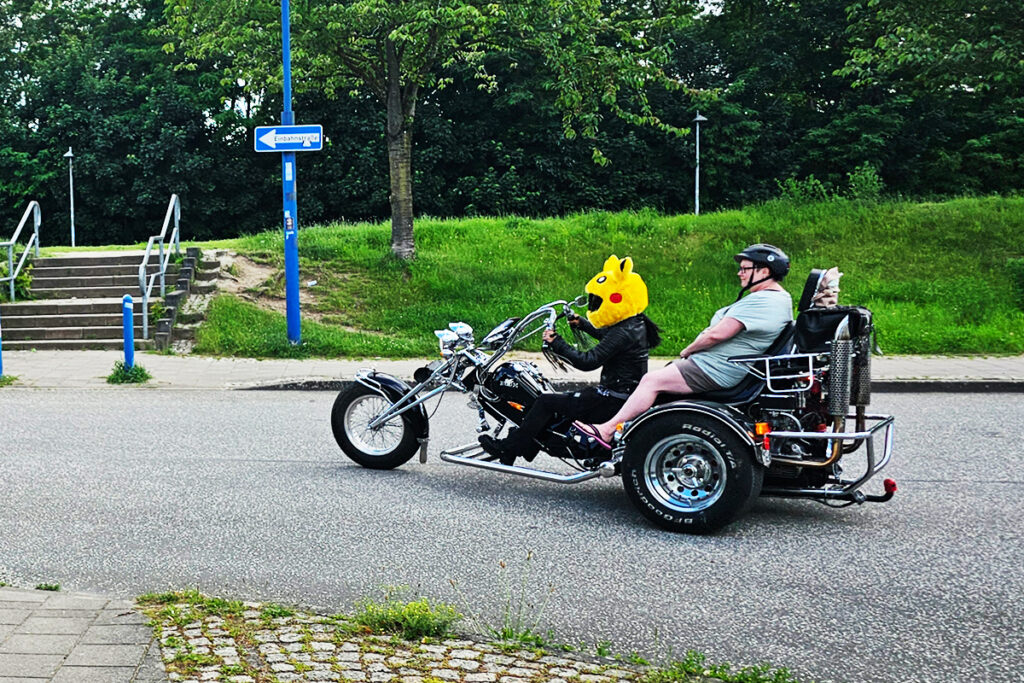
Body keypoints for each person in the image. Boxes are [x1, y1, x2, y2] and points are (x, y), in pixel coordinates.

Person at [575, 244, 793, 447]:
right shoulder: (776, 299)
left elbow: (716, 335)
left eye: (745, 269)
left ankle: (607, 430)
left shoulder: (764, 300)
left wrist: (688, 350)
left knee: (651, 381)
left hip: (715, 369)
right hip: (720, 366)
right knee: (660, 386)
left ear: (764, 272)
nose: (739, 273)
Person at [479, 255, 661, 466]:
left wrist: (557, 343)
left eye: (597, 300)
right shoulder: (634, 323)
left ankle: (509, 448)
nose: (593, 304)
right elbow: (608, 339)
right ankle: (523, 446)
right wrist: (581, 323)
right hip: (621, 395)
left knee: (546, 402)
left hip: (611, 400)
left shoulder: (623, 331)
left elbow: (588, 361)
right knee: (559, 404)